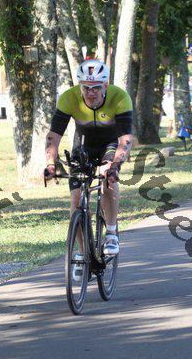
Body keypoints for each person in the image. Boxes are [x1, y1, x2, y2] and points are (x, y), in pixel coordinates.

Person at [44, 59, 133, 260]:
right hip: (83, 145)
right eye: (85, 88)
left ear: (105, 86)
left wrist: (115, 165)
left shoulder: (120, 97)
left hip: (111, 145)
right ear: (80, 86)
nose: (90, 93)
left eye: (96, 88)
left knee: (108, 178)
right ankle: (84, 254)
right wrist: (50, 164)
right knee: (76, 200)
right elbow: (53, 136)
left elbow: (125, 140)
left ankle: (111, 233)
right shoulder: (69, 98)